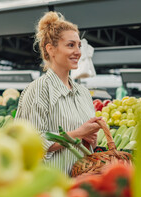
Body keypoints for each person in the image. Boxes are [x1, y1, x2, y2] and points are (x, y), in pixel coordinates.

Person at [15, 11, 102, 175]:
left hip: (80, 184)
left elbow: (88, 142)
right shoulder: (38, 90)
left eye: (79, 45)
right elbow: (30, 143)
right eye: (71, 45)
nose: (78, 52)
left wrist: (91, 140)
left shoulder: (83, 93)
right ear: (51, 49)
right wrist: (78, 133)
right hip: (49, 187)